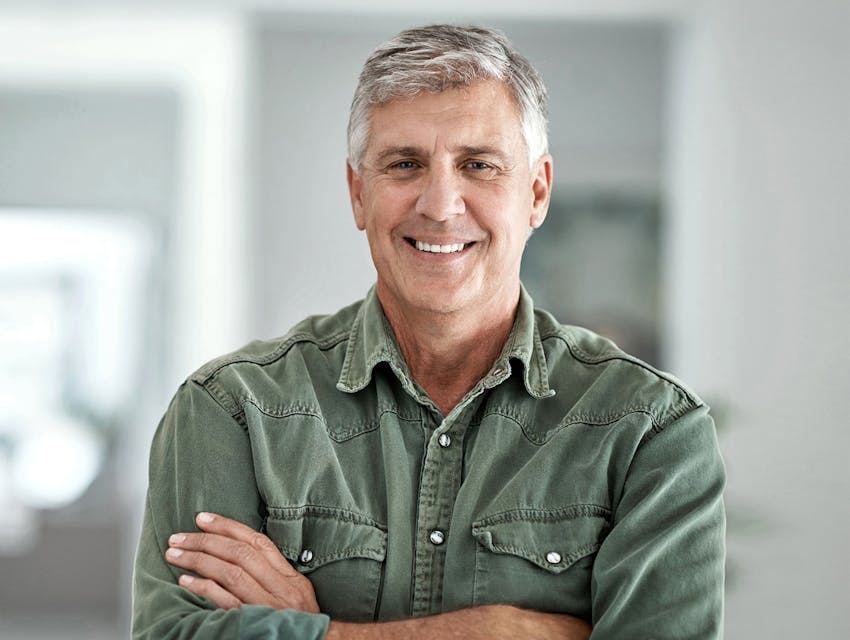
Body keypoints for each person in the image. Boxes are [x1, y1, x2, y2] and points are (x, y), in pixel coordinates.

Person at [132, 24, 726, 639]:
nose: (440, 205)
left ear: (537, 192)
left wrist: (316, 632)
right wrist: (503, 632)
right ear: (358, 192)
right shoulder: (232, 410)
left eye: (479, 165)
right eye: (405, 164)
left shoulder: (650, 430)